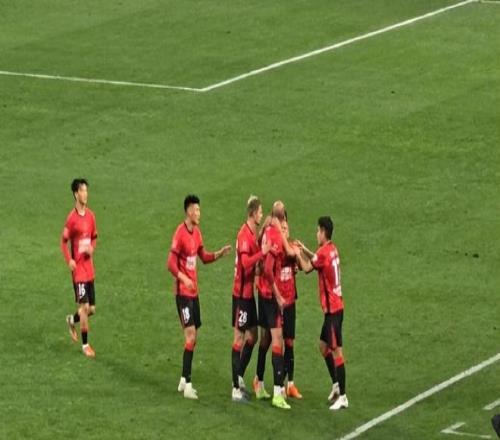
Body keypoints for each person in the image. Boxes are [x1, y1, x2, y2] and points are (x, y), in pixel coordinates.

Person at [167, 194, 231, 400]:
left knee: (194, 337)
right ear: (188, 211)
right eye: (196, 210)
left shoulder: (197, 233)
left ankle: (183, 380)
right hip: (182, 294)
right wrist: (183, 278)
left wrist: (219, 254)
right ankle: (188, 385)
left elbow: (203, 257)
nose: (199, 213)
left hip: (194, 293)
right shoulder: (180, 233)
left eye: (199, 210)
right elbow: (170, 264)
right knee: (191, 335)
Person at [297, 216, 348, 410]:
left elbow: (306, 268)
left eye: (318, 231)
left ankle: (343, 396)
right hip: (335, 308)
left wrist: (296, 253)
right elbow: (318, 258)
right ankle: (336, 385)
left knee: (337, 352)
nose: (316, 234)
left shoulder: (323, 254)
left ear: (323, 232)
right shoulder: (332, 249)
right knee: (323, 346)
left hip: (333, 310)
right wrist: (305, 250)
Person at [231, 196, 270, 402]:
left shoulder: (252, 233)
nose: (261, 215)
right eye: (260, 212)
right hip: (241, 296)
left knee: (252, 336)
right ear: (253, 213)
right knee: (238, 338)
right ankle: (235, 388)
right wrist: (261, 253)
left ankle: (238, 376)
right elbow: (246, 263)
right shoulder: (244, 235)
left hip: (248, 295)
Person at [253, 201, 290, 410]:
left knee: (265, 339)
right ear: (282, 218)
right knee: (277, 341)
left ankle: (258, 381)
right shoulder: (275, 235)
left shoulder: (267, 229)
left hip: (262, 293)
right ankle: (278, 393)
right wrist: (278, 295)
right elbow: (268, 269)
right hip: (270, 296)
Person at [61, 178, 98, 358]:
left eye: (86, 190)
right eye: (82, 191)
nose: (85, 194)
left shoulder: (91, 216)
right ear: (76, 194)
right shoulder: (72, 219)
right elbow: (63, 241)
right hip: (79, 272)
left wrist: (92, 248)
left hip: (89, 269)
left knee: (91, 309)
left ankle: (71, 319)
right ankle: (85, 345)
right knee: (84, 307)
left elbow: (94, 237)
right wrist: (69, 260)